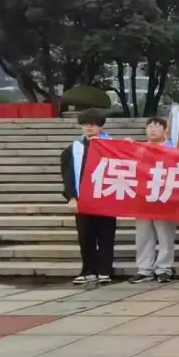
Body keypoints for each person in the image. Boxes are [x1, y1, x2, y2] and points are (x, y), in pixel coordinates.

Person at [60, 109, 115, 285]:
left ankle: (105, 271)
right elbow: (68, 175)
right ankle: (88, 271)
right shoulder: (72, 149)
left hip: (106, 198)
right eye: (85, 124)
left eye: (92, 124)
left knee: (106, 236)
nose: (89, 127)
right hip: (83, 199)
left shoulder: (112, 146)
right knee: (85, 236)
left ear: (100, 126)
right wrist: (71, 197)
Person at [129, 117, 176, 284]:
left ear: (165, 130)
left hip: (164, 198)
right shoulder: (139, 149)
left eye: (156, 126)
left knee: (165, 235)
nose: (152, 129)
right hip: (143, 198)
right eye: (149, 127)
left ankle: (164, 268)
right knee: (143, 235)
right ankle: (144, 269)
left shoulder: (173, 150)